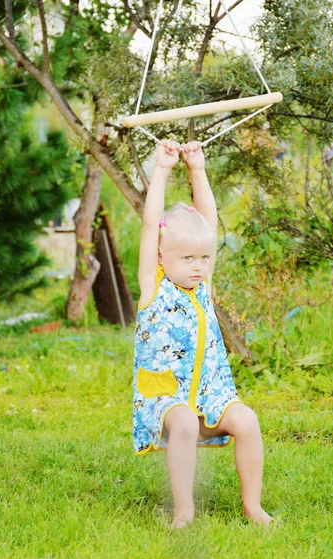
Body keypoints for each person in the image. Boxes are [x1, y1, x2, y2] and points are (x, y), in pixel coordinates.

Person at [133, 139, 271, 529]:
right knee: (188, 423)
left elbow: (207, 222)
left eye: (204, 258)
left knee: (247, 420)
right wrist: (161, 169)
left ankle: (253, 506)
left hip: (210, 393)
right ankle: (184, 512)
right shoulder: (153, 286)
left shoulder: (203, 286)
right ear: (162, 255)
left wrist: (197, 169)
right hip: (165, 397)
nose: (198, 267)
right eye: (188, 258)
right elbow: (149, 224)